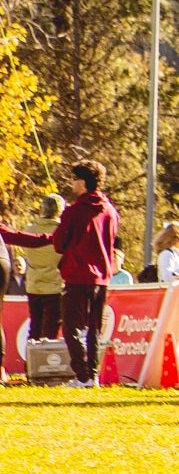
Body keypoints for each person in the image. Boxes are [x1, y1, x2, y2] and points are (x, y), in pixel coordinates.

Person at [29, 162, 118, 388]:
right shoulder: (110, 211)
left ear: (82, 182)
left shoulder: (73, 211)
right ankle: (93, 374)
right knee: (93, 328)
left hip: (77, 276)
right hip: (102, 277)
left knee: (71, 327)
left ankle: (82, 375)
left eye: (73, 179)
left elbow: (59, 244)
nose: (71, 183)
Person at [0, 195, 66, 367]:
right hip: (54, 284)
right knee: (51, 329)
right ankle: (46, 366)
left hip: (34, 283)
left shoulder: (30, 228)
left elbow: (25, 245)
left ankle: (30, 365)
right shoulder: (63, 231)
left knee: (34, 327)